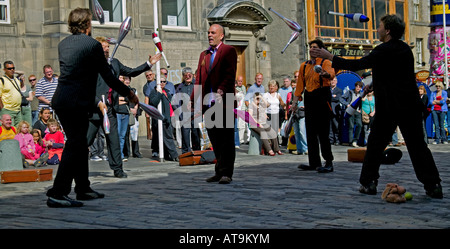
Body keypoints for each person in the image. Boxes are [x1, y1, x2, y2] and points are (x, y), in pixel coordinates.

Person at [311, 14, 443, 198]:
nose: (377, 29)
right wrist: (374, 84)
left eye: (380, 26)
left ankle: (369, 183)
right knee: (418, 146)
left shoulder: (382, 50)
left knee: (374, 146)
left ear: (387, 30)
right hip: (409, 106)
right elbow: (395, 75)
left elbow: (357, 64)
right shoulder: (405, 50)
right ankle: (433, 185)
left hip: (389, 107)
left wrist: (329, 56)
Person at [45, 8, 142, 208]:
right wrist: (130, 93)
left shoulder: (63, 44)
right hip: (76, 101)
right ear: (87, 25)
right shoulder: (92, 45)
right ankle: (58, 192)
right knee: (76, 144)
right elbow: (108, 76)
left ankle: (83, 188)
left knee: (79, 144)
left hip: (64, 99)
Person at [86, 36, 159, 178]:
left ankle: (118, 169)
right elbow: (86, 88)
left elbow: (130, 71)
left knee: (113, 140)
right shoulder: (91, 65)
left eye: (108, 47)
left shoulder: (114, 63)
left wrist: (148, 64)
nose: (107, 49)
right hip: (94, 108)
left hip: (110, 110)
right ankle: (75, 167)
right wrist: (97, 103)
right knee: (86, 140)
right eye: (103, 47)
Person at [194, 23, 237, 184]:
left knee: (226, 139)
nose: (209, 35)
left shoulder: (229, 51)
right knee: (215, 139)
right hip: (208, 103)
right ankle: (219, 171)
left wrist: (221, 90)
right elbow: (198, 79)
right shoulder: (203, 55)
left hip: (224, 101)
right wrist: (195, 102)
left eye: (213, 33)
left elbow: (230, 74)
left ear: (221, 35)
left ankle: (227, 173)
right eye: (208, 32)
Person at [291, 39, 335, 173]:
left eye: (315, 47)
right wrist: (294, 102)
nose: (311, 49)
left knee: (323, 133)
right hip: (309, 98)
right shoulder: (304, 65)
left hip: (322, 97)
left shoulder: (326, 62)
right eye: (310, 47)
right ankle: (314, 162)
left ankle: (328, 162)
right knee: (310, 132)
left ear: (321, 50)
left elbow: (331, 74)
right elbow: (300, 86)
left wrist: (324, 74)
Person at [148, 76, 179, 161]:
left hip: (168, 118)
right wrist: (159, 93)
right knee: (168, 137)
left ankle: (166, 155)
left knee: (166, 137)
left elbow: (173, 103)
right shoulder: (154, 92)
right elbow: (153, 103)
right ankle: (174, 155)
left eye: (164, 82)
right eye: (160, 81)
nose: (162, 83)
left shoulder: (167, 92)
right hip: (160, 119)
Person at [174, 67, 201, 154]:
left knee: (196, 133)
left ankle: (197, 151)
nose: (187, 77)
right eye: (185, 75)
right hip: (184, 114)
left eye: (189, 75)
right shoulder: (180, 87)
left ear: (193, 75)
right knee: (185, 134)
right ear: (183, 76)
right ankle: (186, 152)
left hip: (196, 113)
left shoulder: (197, 85)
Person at [340, 81, 364, 147]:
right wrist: (347, 104)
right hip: (350, 110)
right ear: (355, 86)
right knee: (351, 126)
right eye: (357, 86)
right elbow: (341, 98)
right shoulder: (350, 92)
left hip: (357, 111)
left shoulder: (361, 94)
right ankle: (351, 142)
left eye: (360, 87)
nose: (358, 88)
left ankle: (355, 140)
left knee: (359, 125)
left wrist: (360, 109)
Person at [0, 61, 23, 127]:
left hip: (18, 110)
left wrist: (14, 72)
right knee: (9, 130)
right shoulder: (2, 80)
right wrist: (2, 109)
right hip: (7, 110)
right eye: (9, 69)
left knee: (19, 131)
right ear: (4, 70)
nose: (12, 70)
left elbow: (22, 73)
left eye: (13, 68)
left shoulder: (16, 79)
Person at [329, 77, 342, 145]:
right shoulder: (327, 90)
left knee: (336, 126)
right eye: (332, 80)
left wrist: (331, 97)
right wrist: (332, 96)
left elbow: (338, 98)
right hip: (328, 111)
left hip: (335, 111)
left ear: (336, 82)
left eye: (334, 80)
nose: (333, 81)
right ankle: (331, 140)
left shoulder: (339, 90)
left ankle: (337, 139)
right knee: (329, 127)